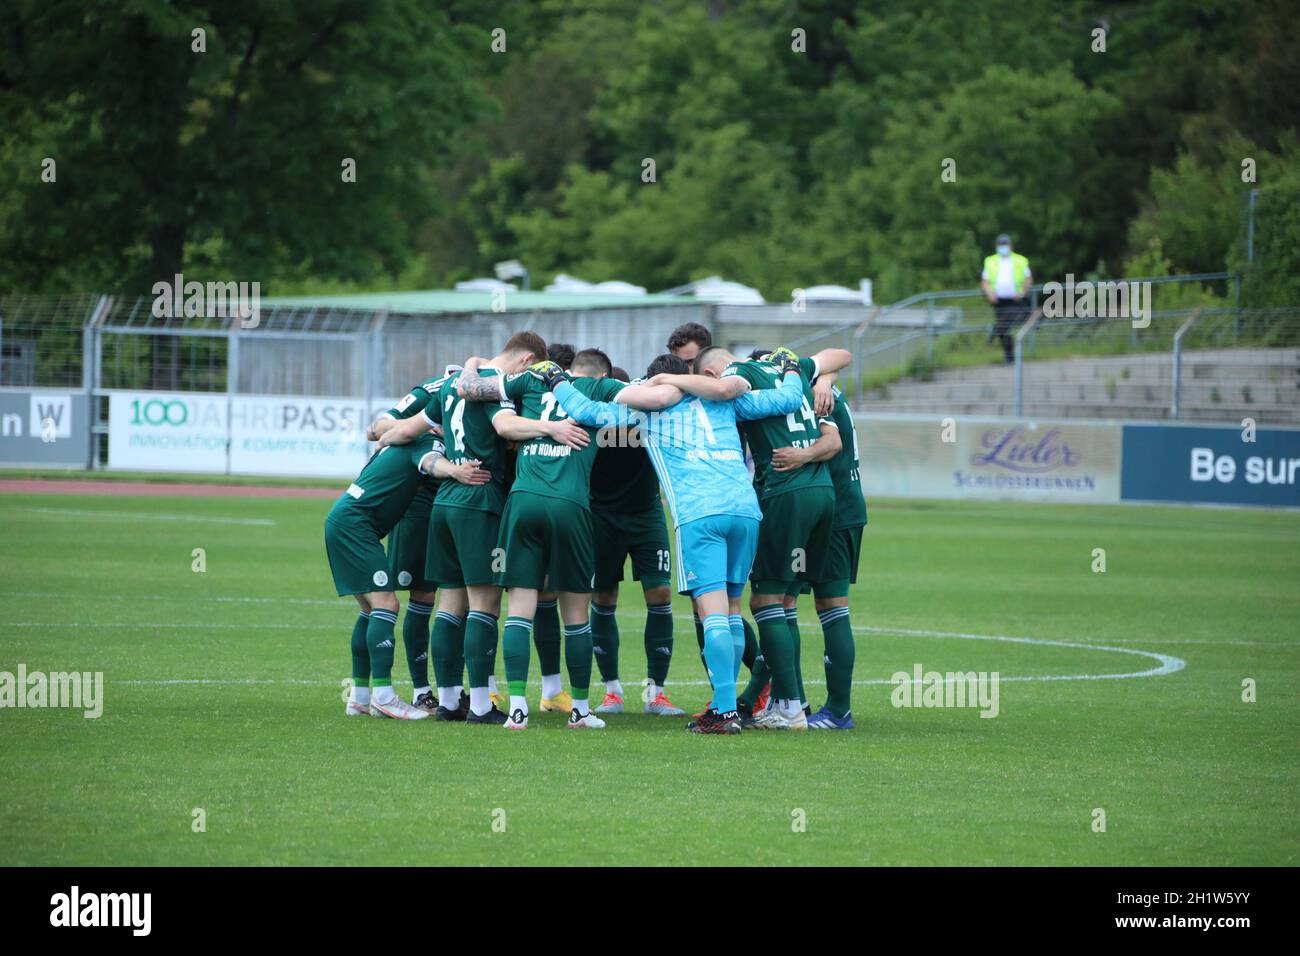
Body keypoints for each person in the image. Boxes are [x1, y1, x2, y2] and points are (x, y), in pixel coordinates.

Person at [547, 349, 807, 734]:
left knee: (713, 613)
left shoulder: (648, 410)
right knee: (733, 610)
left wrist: (556, 382)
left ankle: (723, 711)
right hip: (745, 510)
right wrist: (790, 369)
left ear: (653, 380)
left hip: (701, 515)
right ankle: (727, 706)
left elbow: (588, 413)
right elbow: (787, 399)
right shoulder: (725, 400)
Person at [457, 349, 679, 730]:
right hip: (571, 505)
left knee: (520, 610)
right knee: (576, 614)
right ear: (602, 374)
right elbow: (655, 399)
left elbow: (468, 389)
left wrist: (473, 362)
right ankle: (579, 709)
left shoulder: (530, 380)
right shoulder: (601, 387)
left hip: (522, 502)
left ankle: (517, 711)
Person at [378, 332, 587, 724]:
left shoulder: (450, 385)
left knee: (449, 603)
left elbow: (404, 431)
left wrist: (381, 441)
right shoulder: (495, 389)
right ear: (526, 361)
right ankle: (479, 705)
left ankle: (447, 699)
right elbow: (507, 428)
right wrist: (550, 429)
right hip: (479, 499)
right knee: (485, 605)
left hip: (444, 500)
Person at [648, 346, 848, 730]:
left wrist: (667, 380)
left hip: (781, 495)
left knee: (765, 601)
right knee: (789, 601)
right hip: (826, 496)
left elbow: (724, 392)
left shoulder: (737, 380)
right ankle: (790, 700)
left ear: (709, 373)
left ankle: (783, 706)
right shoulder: (790, 370)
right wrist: (821, 375)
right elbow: (841, 355)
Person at [325, 432, 490, 720]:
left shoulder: (398, 438)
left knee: (369, 610)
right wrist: (456, 470)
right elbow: (431, 463)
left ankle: (360, 698)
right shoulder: (425, 443)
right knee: (387, 606)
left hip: (344, 520)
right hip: (357, 526)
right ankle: (385, 697)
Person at [589, 357, 686, 717]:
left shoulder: (650, 412)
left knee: (659, 593)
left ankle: (655, 693)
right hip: (600, 517)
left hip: (646, 515)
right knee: (603, 596)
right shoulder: (591, 415)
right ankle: (612, 692)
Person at [363, 366, 460, 713]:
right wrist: (419, 426)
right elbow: (376, 429)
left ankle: (454, 687)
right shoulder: (430, 391)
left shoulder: (484, 389)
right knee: (418, 595)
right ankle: (419, 689)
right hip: (418, 504)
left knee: (453, 593)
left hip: (454, 500)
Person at [981, 233, 1033, 364]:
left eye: (1005, 244)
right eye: (1001, 244)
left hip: (1014, 300)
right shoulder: (990, 261)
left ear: (1010, 246)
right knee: (1004, 330)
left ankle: (995, 330)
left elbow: (1028, 279)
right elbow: (985, 281)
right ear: (997, 246)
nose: (1003, 247)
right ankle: (1009, 357)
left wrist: (1022, 293)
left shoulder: (1020, 260)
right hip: (998, 301)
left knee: (1005, 325)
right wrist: (989, 294)